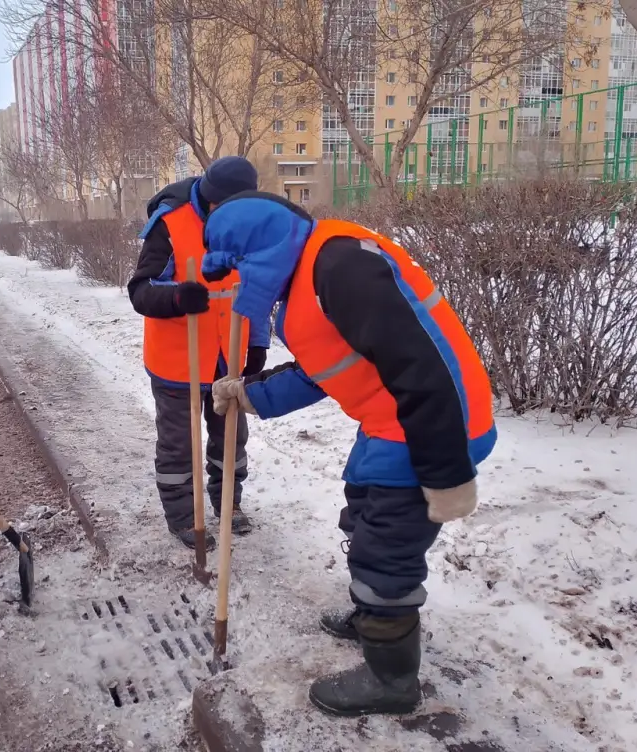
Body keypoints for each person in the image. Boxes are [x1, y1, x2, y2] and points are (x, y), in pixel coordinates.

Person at [201, 192, 497, 717]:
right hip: (392, 418)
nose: (243, 286)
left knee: (385, 550)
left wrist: (446, 473)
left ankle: (392, 680)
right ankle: (373, 615)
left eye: (240, 270)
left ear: (259, 252)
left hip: (433, 424)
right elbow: (325, 367)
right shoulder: (310, 274)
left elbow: (417, 365)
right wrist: (249, 394)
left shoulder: (340, 268)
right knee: (361, 509)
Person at [127, 156, 270, 549]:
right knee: (179, 444)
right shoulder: (169, 225)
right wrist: (175, 297)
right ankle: (183, 515)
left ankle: (229, 502)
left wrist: (257, 344)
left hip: (228, 358)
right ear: (209, 201)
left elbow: (254, 288)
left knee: (231, 437)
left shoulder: (250, 226)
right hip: (179, 360)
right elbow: (139, 290)